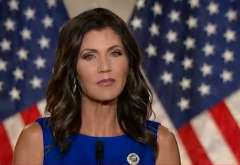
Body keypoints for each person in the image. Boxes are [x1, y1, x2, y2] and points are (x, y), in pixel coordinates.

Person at [13, 8, 181, 165]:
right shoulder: (37, 140)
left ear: (129, 63)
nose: (105, 66)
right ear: (73, 69)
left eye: (115, 53)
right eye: (89, 56)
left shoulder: (159, 142)